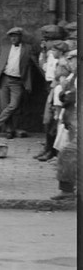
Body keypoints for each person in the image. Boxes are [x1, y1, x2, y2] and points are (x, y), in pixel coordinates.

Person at [0, 26, 40, 139]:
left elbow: (35, 60)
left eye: (15, 36)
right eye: (11, 37)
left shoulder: (27, 48)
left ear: (20, 37)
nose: (13, 39)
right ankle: (9, 131)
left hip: (17, 81)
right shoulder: (5, 47)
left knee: (14, 105)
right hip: (4, 79)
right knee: (5, 106)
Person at [36, 35, 70, 162]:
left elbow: (60, 80)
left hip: (58, 92)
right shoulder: (53, 57)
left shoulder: (63, 63)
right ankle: (48, 148)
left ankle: (52, 151)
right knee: (48, 121)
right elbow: (44, 68)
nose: (52, 52)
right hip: (53, 90)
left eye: (55, 50)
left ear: (60, 51)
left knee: (54, 123)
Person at [52, 50, 77, 201]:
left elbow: (68, 95)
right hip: (72, 122)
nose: (69, 63)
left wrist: (64, 94)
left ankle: (67, 190)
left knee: (68, 153)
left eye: (71, 60)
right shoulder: (74, 76)